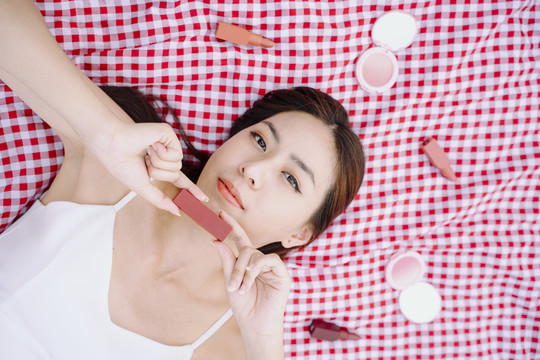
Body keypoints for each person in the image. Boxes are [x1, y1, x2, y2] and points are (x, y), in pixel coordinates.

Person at [0, 0, 365, 359]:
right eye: (259, 140)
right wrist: (105, 133)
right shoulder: (120, 161)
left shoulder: (234, 343)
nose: (253, 170)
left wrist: (263, 341)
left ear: (299, 234)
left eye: (290, 178)